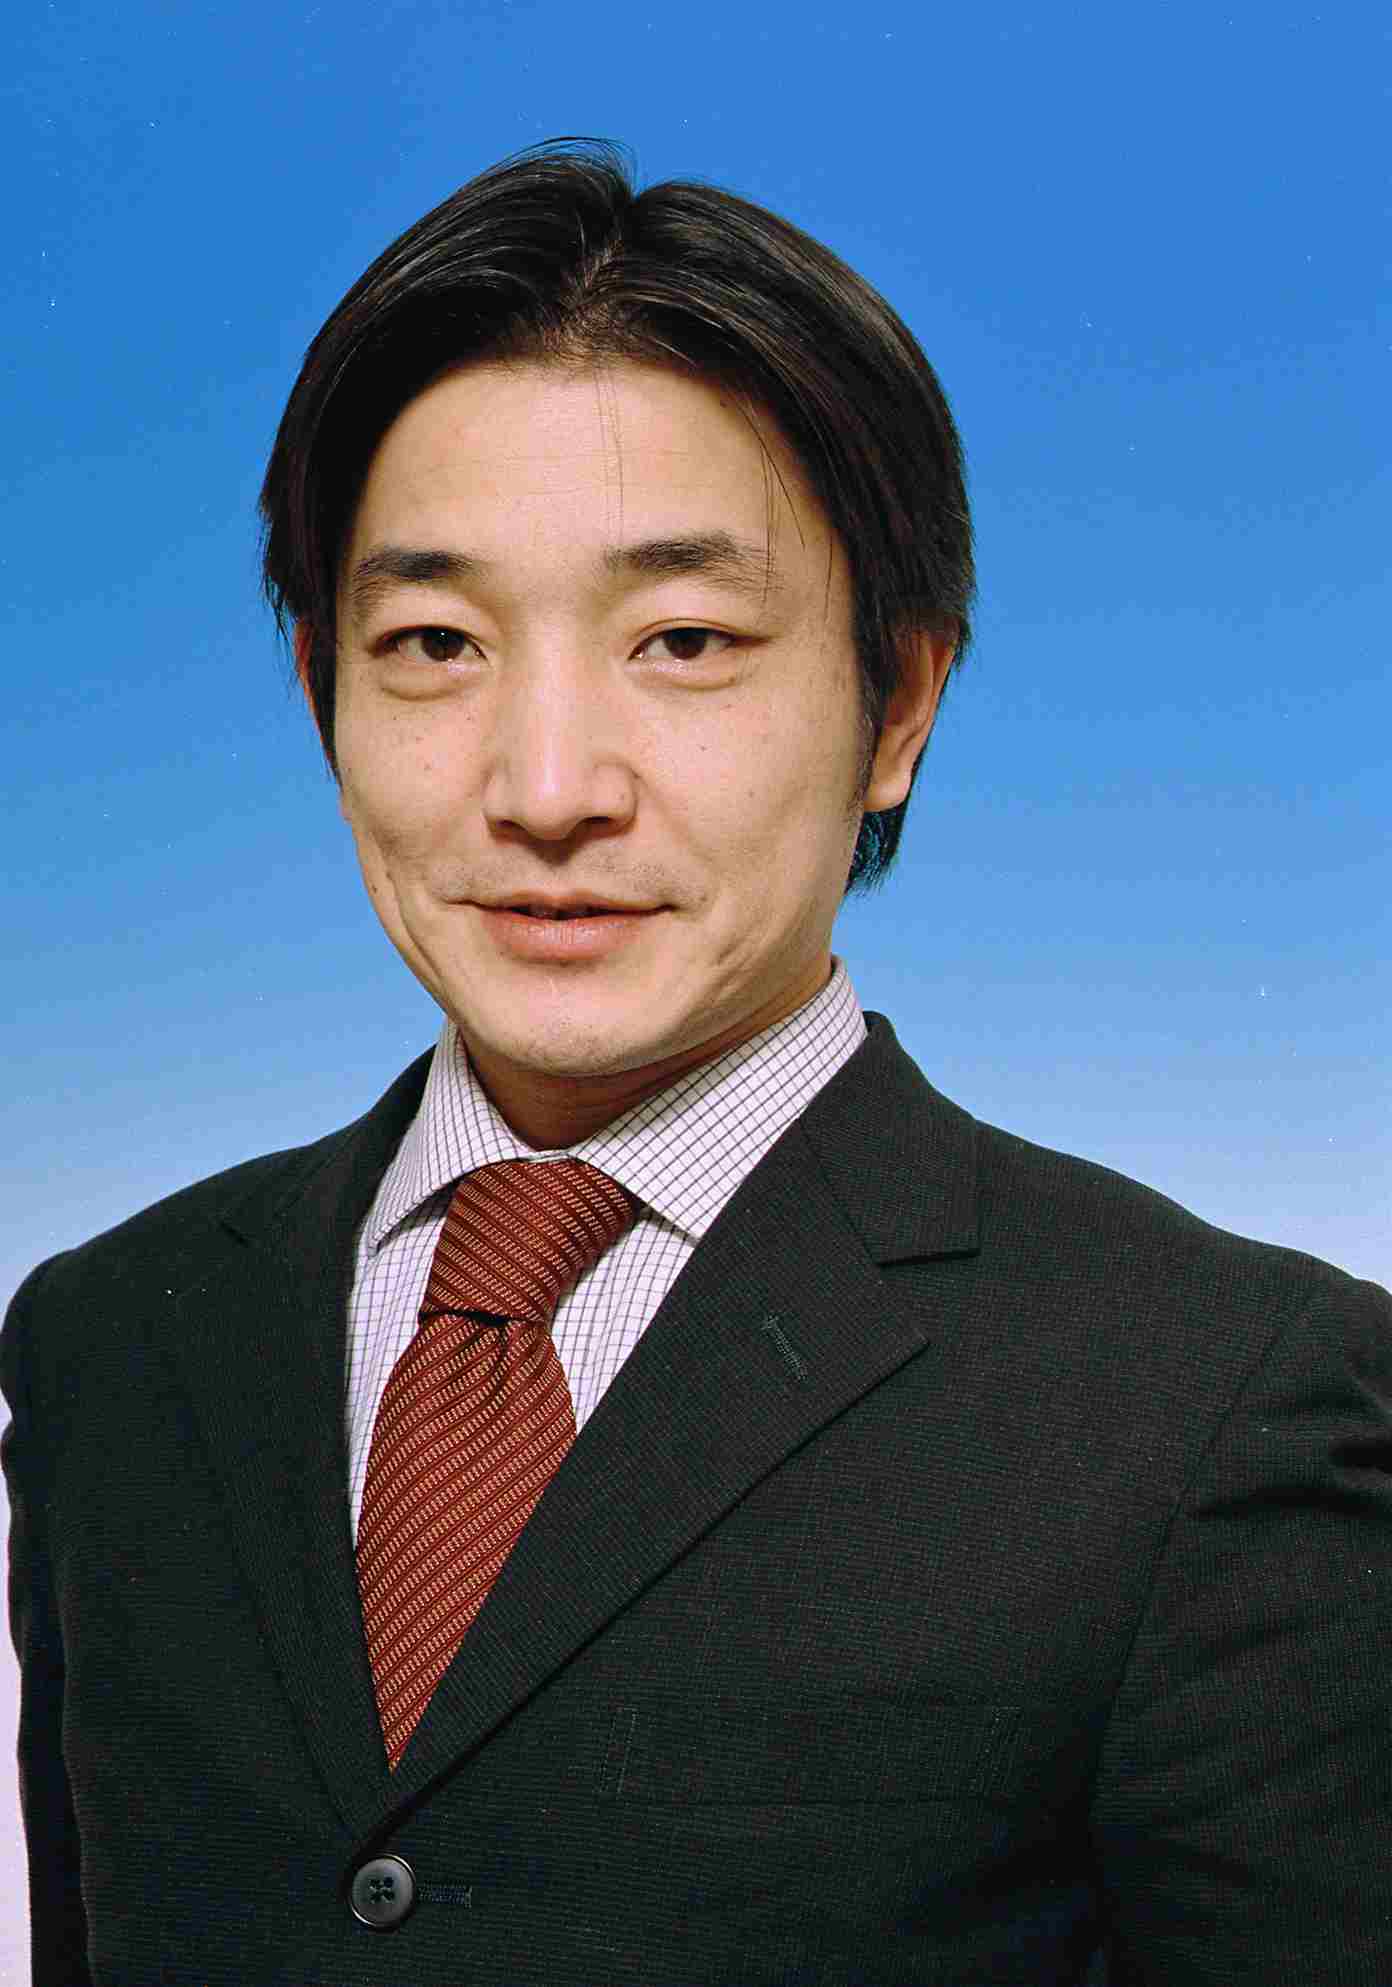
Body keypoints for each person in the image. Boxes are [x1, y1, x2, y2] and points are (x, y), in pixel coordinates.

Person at [3, 138, 1389, 1987]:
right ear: (324, 689)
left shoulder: (1224, 1403)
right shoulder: (109, 1343)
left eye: (682, 639)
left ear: (899, 702)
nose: (545, 787)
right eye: (434, 641)